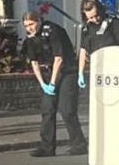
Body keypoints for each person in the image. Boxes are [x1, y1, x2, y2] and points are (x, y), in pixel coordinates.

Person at [22, 11, 88, 157]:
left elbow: (59, 59)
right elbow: (34, 62)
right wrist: (43, 84)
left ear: (39, 20)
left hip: (66, 72)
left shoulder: (53, 31)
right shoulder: (31, 37)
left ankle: (79, 144)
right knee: (47, 110)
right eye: (26, 25)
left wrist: (52, 83)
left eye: (31, 24)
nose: (29, 28)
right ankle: (47, 147)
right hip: (48, 74)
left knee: (67, 110)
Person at [77, 0, 119, 90]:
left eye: (96, 15)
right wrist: (80, 73)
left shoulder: (114, 23)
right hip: (97, 70)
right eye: (91, 17)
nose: (95, 19)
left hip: (115, 70)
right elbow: (83, 50)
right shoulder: (86, 28)